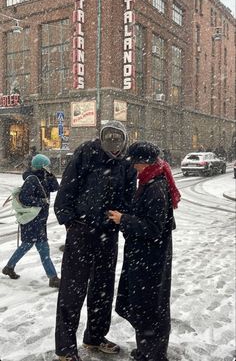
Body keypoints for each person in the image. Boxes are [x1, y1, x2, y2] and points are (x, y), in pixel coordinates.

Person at [54, 120, 136, 361]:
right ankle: (65, 348)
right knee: (72, 289)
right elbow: (67, 186)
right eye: (108, 137)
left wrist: (122, 219)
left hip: (107, 233)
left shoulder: (126, 163)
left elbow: (128, 195)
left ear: (124, 140)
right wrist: (69, 220)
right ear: (101, 138)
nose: (113, 143)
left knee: (103, 288)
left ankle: (95, 337)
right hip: (81, 230)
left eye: (117, 138)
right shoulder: (86, 152)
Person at [108, 141, 181, 361]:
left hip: (151, 261)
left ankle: (152, 355)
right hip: (148, 258)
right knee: (146, 307)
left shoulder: (155, 187)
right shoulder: (152, 180)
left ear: (145, 162)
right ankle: (147, 351)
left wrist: (124, 220)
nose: (134, 167)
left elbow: (153, 228)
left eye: (135, 163)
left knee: (150, 309)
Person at [2, 154, 60, 288]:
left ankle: (9, 267)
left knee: (27, 246)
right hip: (32, 221)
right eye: (47, 165)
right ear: (42, 166)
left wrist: (51, 175)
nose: (49, 167)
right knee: (42, 249)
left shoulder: (43, 177)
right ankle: (53, 278)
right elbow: (24, 198)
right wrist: (41, 202)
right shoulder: (32, 180)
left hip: (39, 220)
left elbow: (55, 187)